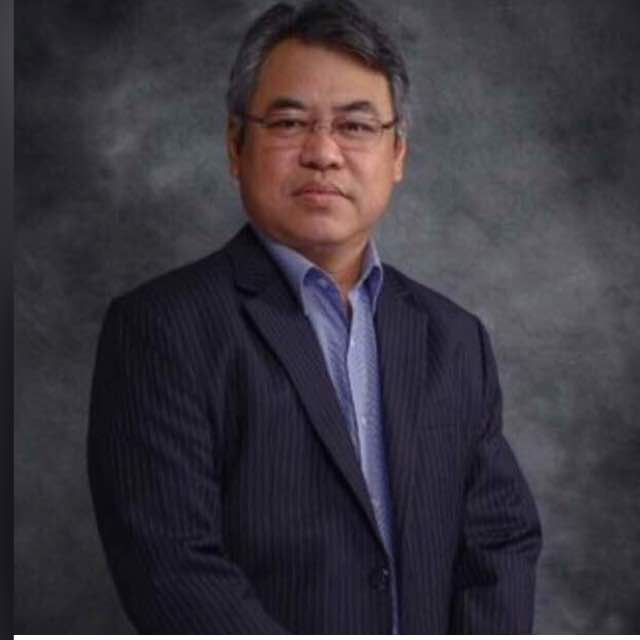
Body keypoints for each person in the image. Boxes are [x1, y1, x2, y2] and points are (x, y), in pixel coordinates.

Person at [88, 0, 542, 634]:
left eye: (356, 126)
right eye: (289, 122)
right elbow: (172, 569)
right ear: (236, 146)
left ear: (398, 154)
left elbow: (500, 541)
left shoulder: (454, 338)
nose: (323, 152)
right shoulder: (161, 330)